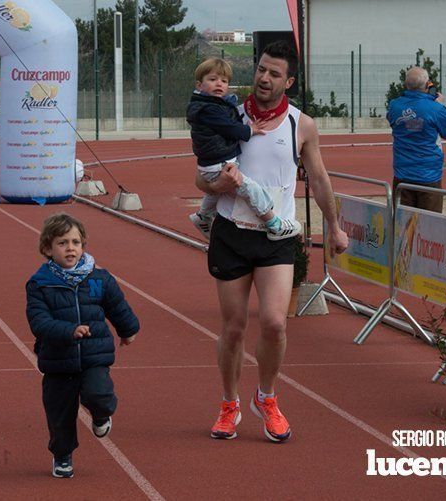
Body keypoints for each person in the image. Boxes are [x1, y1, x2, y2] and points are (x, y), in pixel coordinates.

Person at [195, 40, 348, 442]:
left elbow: (318, 179)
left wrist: (334, 226)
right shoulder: (226, 111)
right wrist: (216, 182)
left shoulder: (302, 124)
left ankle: (266, 397)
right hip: (231, 232)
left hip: (276, 236)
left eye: (274, 73)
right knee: (232, 328)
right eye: (261, 69)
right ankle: (229, 404)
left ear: (289, 81)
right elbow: (199, 176)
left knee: (276, 323)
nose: (264, 78)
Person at [26, 213, 140, 478]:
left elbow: (116, 306)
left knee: (99, 394)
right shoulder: (40, 284)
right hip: (57, 360)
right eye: (63, 243)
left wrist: (128, 330)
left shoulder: (98, 279)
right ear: (47, 249)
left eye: (76, 242)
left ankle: (101, 415)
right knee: (59, 414)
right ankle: (62, 455)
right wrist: (69, 331)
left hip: (94, 354)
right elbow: (39, 322)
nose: (70, 248)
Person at [187, 57, 301, 241]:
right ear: (199, 85)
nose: (219, 84)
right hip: (219, 163)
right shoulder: (208, 109)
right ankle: (274, 223)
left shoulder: (211, 105)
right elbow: (230, 128)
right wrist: (251, 129)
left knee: (220, 190)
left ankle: (203, 215)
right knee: (251, 189)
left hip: (212, 163)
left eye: (224, 81)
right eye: (213, 79)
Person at [386, 67, 446, 213]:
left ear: (406, 85)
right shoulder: (436, 109)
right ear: (427, 85)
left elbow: (398, 120)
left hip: (402, 174)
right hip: (429, 176)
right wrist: (438, 104)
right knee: (429, 225)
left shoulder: (394, 106)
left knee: (403, 224)